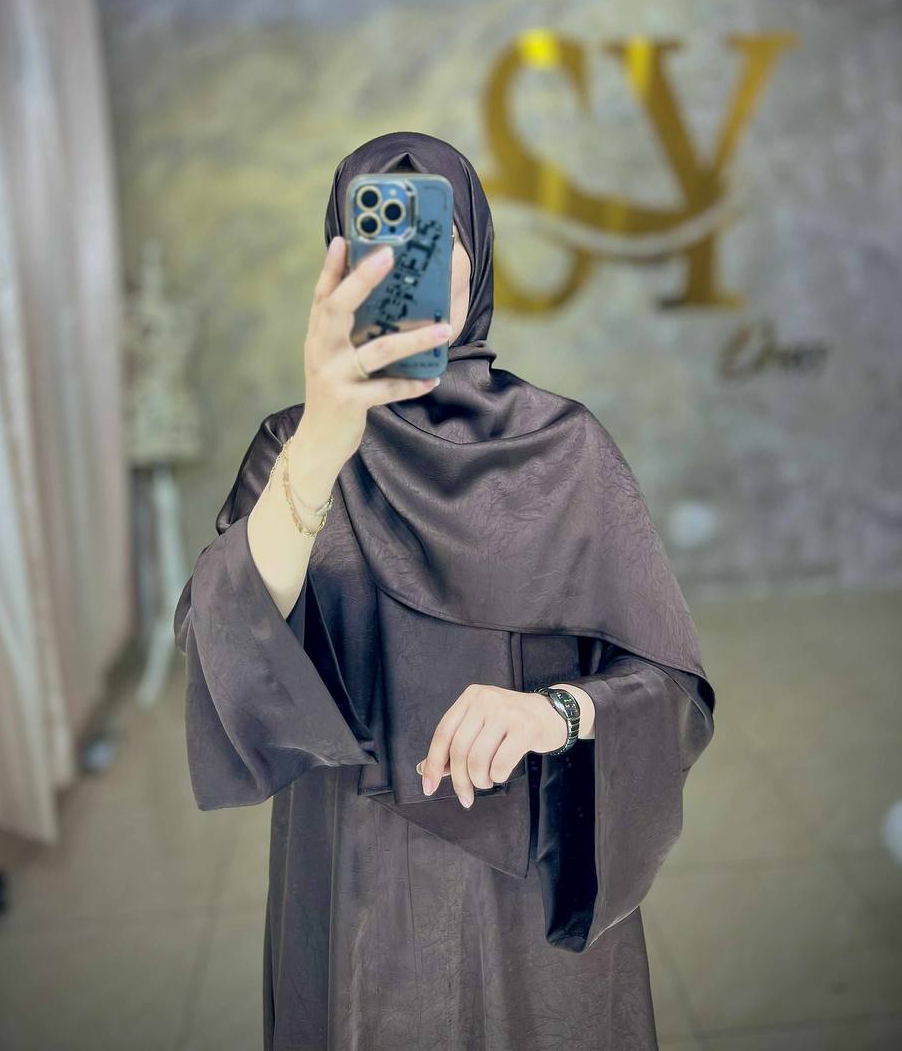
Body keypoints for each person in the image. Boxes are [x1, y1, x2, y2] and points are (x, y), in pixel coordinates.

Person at [174, 130, 716, 1051]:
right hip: (355, 885)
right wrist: (322, 440)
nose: (405, 263)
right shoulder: (293, 448)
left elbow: (670, 687)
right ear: (337, 264)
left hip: (530, 883)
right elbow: (222, 643)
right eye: (375, 236)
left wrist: (555, 712)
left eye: (432, 236)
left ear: (476, 254)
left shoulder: (565, 447)